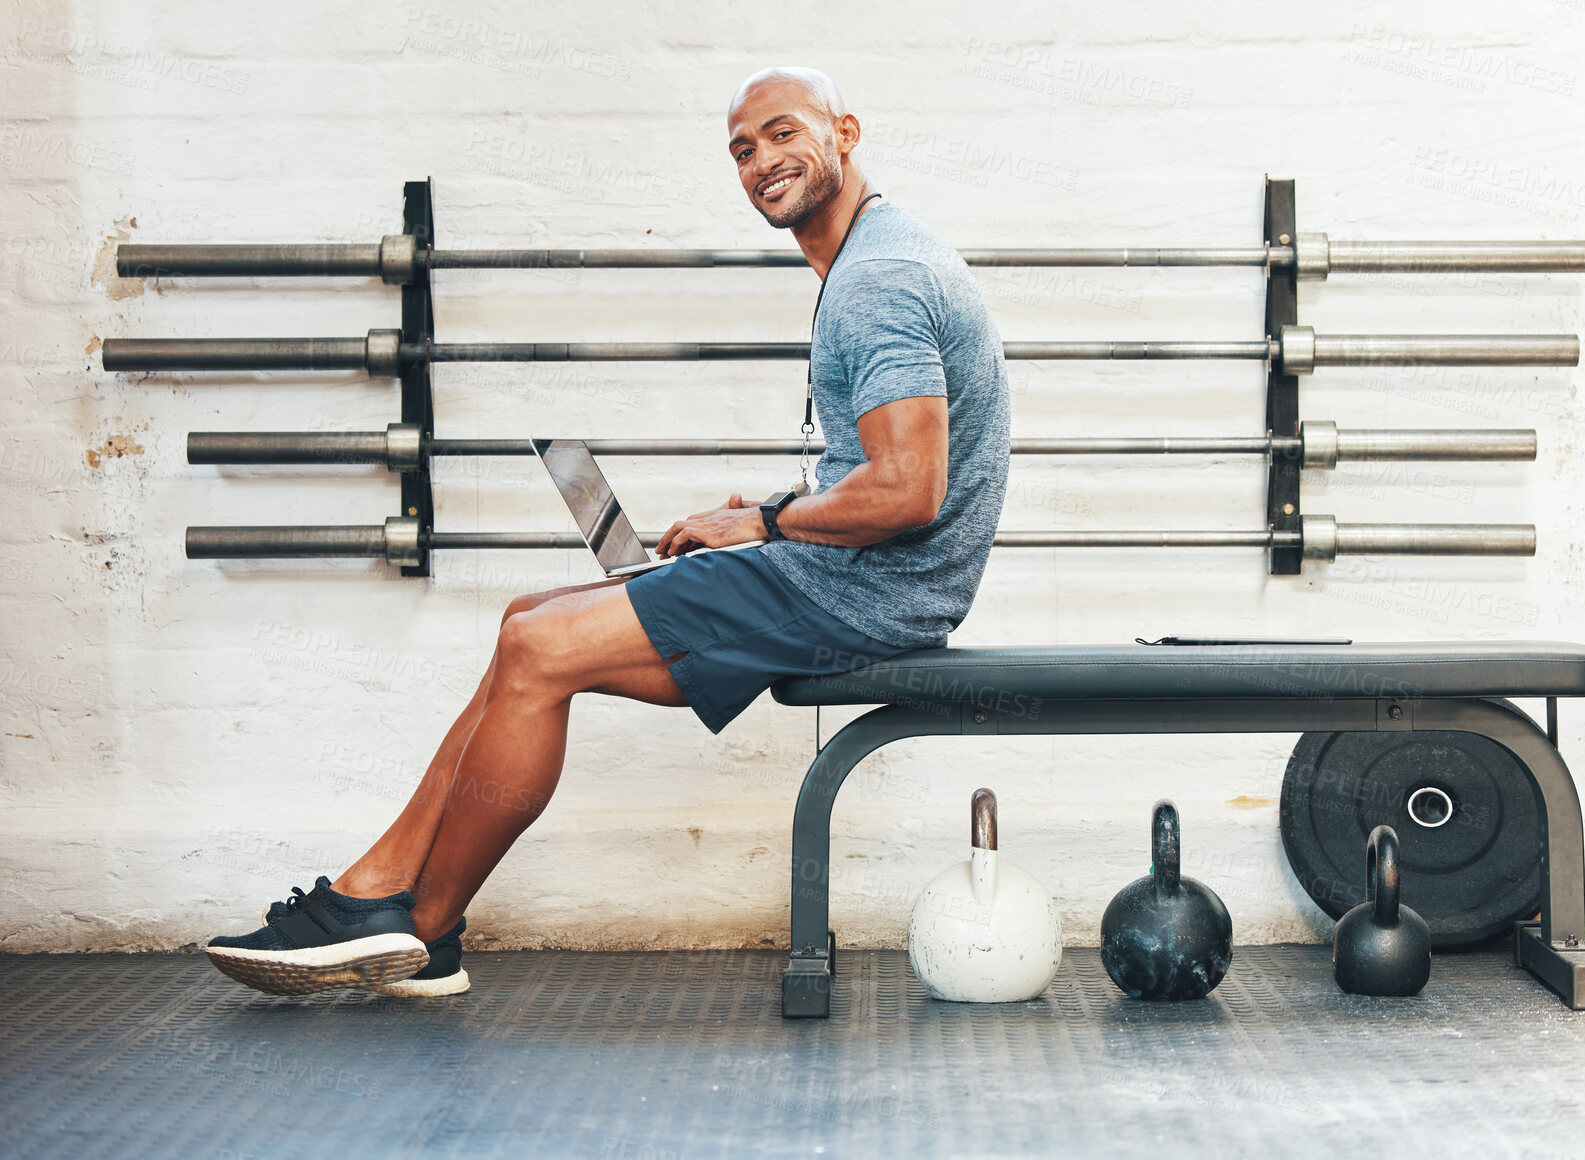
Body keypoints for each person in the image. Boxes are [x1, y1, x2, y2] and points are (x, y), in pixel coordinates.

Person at [204, 66, 1012, 996]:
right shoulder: (868, 260)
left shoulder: (880, 278)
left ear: (845, 131)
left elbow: (909, 490)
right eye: (743, 150)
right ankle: (375, 895)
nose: (762, 162)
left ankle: (413, 927)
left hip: (869, 596)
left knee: (542, 649)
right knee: (524, 623)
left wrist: (760, 520)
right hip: (839, 576)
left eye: (784, 134)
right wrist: (757, 525)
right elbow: (879, 474)